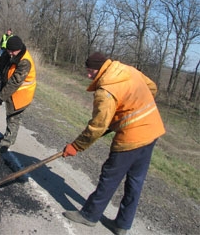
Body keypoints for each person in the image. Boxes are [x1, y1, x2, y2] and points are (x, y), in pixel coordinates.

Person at [62, 52, 165, 235]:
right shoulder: (127, 70)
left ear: (99, 69)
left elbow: (98, 125)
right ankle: (122, 225)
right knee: (135, 181)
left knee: (110, 177)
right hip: (153, 129)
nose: (88, 76)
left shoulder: (105, 91)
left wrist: (76, 146)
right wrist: (132, 109)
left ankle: (89, 215)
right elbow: (152, 88)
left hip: (132, 138)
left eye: (90, 71)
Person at [0, 35, 36, 153]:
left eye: (13, 51)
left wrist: (1, 97)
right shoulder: (11, 53)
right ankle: (6, 136)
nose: (10, 53)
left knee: (13, 117)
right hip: (13, 90)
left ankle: (7, 142)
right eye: (9, 51)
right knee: (9, 116)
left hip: (22, 93)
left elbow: (14, 82)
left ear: (19, 48)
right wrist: (0, 73)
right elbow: (3, 62)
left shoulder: (25, 61)